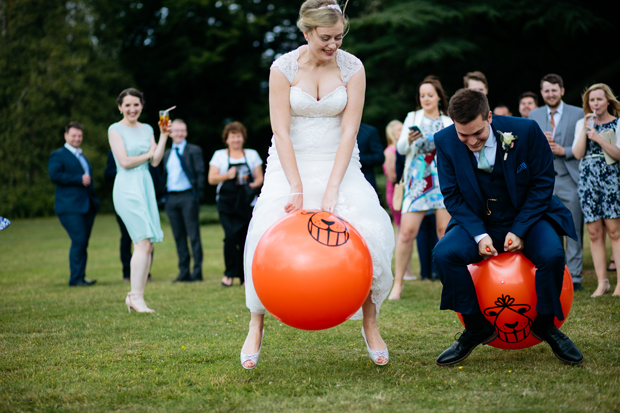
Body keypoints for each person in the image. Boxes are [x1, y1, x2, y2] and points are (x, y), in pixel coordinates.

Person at [240, 0, 394, 369]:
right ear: (305, 31)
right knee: (266, 228)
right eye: (325, 38)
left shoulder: (353, 68)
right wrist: (295, 186)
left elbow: (349, 131)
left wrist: (332, 187)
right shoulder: (283, 68)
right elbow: (280, 130)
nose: (333, 46)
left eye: (339, 38)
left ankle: (370, 325)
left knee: (366, 225)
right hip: (289, 160)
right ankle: (256, 324)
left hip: (337, 159)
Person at [433, 88, 583, 366]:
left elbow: (542, 184)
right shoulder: (444, 141)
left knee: (552, 255)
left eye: (477, 133)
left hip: (528, 217)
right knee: (443, 254)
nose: (470, 141)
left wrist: (520, 229)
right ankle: (476, 327)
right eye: (462, 135)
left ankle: (546, 325)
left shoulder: (526, 131)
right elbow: (452, 195)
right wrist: (479, 234)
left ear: (490, 116)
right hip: (479, 223)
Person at [391, 75, 453, 299]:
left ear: (438, 97)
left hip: (442, 181)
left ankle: (450, 282)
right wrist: (408, 139)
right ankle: (398, 284)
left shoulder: (448, 121)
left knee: (444, 233)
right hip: (417, 180)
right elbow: (399, 149)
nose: (426, 98)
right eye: (422, 95)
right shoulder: (412, 116)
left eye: (430, 95)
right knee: (407, 233)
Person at [108, 88, 169, 313]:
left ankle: (136, 296)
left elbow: (156, 162)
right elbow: (123, 161)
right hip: (126, 187)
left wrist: (163, 136)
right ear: (120, 107)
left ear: (142, 106)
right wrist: (148, 154)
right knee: (142, 241)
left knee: (148, 244)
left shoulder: (148, 129)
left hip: (145, 186)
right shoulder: (114, 129)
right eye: (127, 105)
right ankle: (135, 297)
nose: (132, 109)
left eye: (136, 105)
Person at [529, 74, 585, 291]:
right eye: (546, 91)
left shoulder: (578, 113)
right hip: (542, 183)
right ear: (541, 93)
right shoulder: (533, 115)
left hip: (569, 179)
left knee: (573, 229)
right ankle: (556, 274)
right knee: (549, 229)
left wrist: (565, 151)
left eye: (554, 90)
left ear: (562, 90)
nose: (550, 94)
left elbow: (585, 145)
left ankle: (576, 277)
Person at [572, 83, 620, 297]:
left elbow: (618, 154)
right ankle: (602, 283)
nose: (595, 104)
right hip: (588, 181)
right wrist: (585, 128)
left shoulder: (618, 123)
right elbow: (578, 153)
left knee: (615, 231)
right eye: (592, 100)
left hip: (611, 179)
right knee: (593, 232)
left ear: (608, 101)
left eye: (599, 99)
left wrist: (599, 138)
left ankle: (619, 282)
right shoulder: (582, 123)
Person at [208, 121, 263, 287]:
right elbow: (211, 179)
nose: (236, 140)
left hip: (246, 204)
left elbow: (260, 178)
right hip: (226, 204)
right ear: (227, 139)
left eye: (238, 136)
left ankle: (245, 276)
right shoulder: (219, 155)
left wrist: (253, 185)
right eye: (232, 137)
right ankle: (229, 274)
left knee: (245, 239)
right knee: (230, 237)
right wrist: (227, 176)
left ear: (243, 138)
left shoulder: (252, 155)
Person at [48, 122, 100, 287]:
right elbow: (54, 175)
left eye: (79, 136)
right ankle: (75, 279)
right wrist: (78, 179)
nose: (77, 138)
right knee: (79, 240)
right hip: (69, 207)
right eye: (74, 135)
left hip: (87, 206)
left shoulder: (83, 157)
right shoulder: (58, 155)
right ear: (66, 136)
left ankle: (80, 277)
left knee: (82, 242)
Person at [104, 149, 159, 282]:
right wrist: (128, 169)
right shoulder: (115, 151)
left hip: (144, 198)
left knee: (147, 236)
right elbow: (108, 174)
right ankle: (127, 273)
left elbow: (155, 171)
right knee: (127, 237)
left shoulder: (146, 149)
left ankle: (145, 272)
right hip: (125, 197)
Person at [162, 119, 205, 283]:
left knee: (193, 235)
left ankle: (197, 272)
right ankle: (183, 271)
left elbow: (200, 173)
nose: (179, 133)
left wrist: (197, 195)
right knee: (178, 236)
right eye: (176, 130)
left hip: (188, 196)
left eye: (182, 130)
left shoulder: (193, 150)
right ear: (171, 133)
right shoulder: (166, 154)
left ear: (186, 133)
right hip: (171, 199)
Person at [383, 120, 415, 280]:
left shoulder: (403, 149)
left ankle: (407, 270)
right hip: (397, 192)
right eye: (398, 130)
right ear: (391, 133)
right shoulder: (391, 151)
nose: (401, 132)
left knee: (403, 230)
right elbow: (393, 176)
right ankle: (404, 271)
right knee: (401, 231)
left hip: (402, 191)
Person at [356, 123, 385, 191]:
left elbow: (379, 157)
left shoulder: (369, 131)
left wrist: (357, 158)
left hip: (365, 180)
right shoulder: (334, 131)